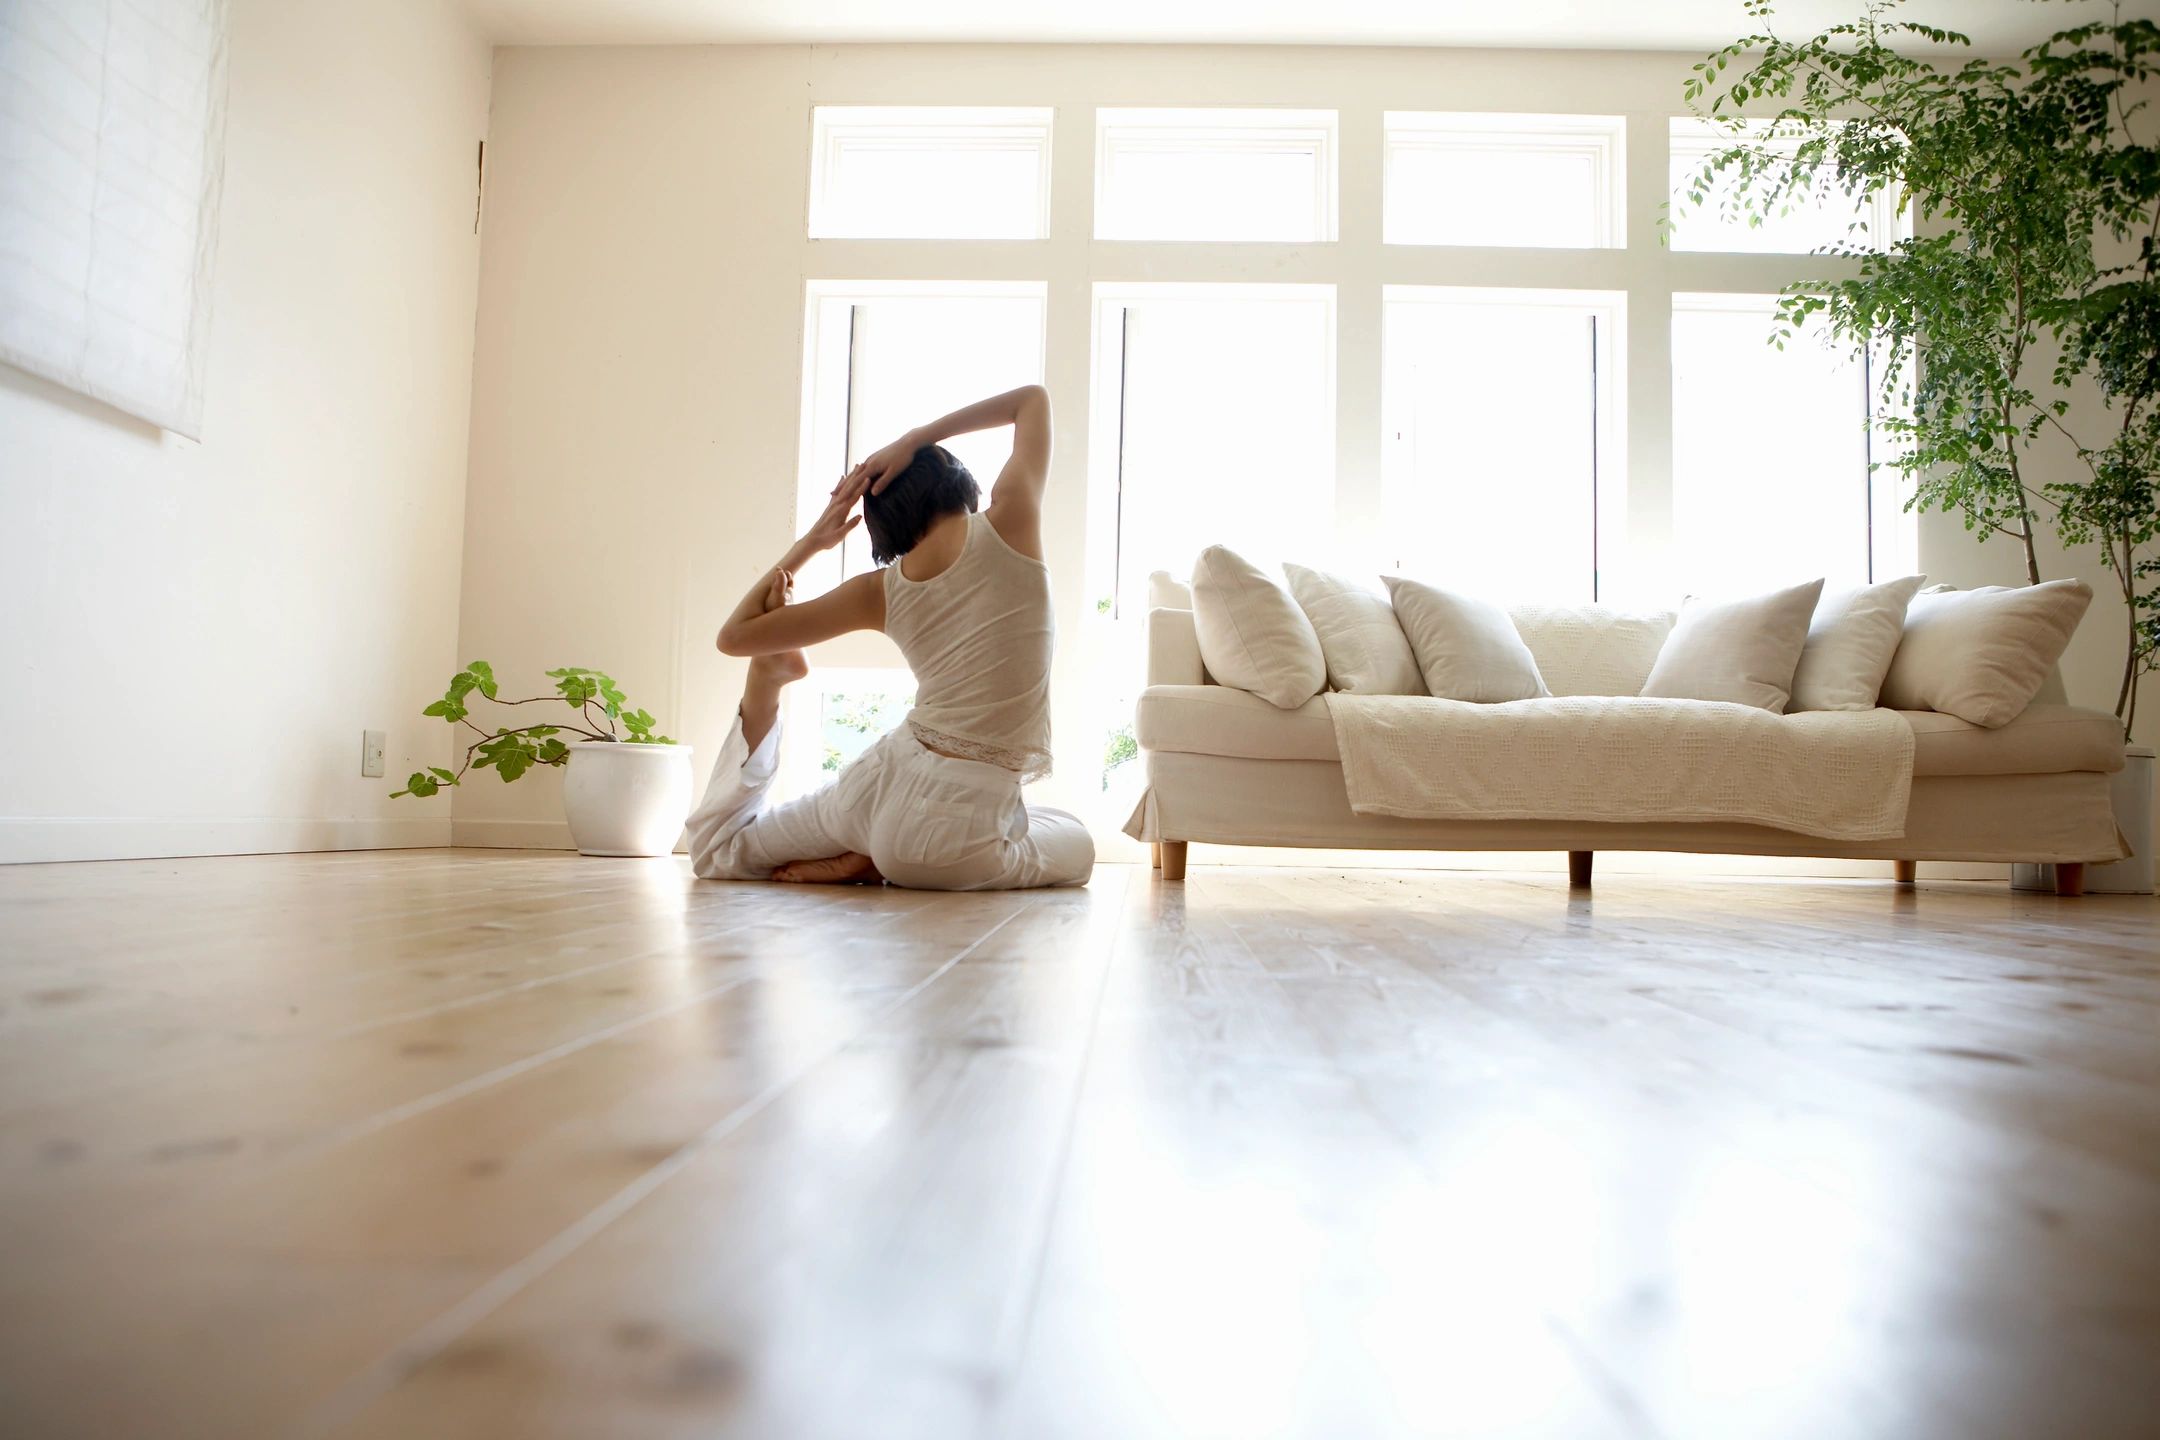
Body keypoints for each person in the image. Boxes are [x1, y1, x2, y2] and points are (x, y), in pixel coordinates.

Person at [686, 384, 1095, 890]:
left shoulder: (878, 590)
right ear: (955, 482)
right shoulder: (1011, 520)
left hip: (875, 785)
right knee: (1075, 838)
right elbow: (1032, 400)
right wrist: (917, 438)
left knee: (718, 852)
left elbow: (734, 637)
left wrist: (811, 541)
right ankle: (875, 857)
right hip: (944, 838)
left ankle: (768, 682)